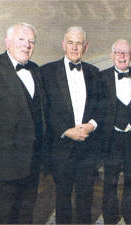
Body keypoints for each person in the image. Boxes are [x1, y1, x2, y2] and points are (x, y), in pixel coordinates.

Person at [0, 23, 44, 224]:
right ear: (7, 42)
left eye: (31, 41)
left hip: (31, 161)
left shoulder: (36, 70)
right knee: (2, 217)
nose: (27, 45)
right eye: (21, 39)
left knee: (25, 215)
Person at [40, 26, 101, 224]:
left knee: (85, 196)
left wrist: (91, 125)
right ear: (63, 44)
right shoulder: (47, 72)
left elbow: (102, 106)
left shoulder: (94, 72)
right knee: (63, 197)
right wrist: (66, 131)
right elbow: (44, 109)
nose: (75, 47)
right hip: (61, 145)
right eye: (71, 43)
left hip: (88, 146)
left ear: (86, 47)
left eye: (79, 43)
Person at [99, 39, 131, 225]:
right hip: (111, 138)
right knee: (109, 181)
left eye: (126, 53)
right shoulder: (102, 77)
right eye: (118, 52)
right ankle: (110, 218)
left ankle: (129, 217)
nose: (122, 56)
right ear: (112, 55)